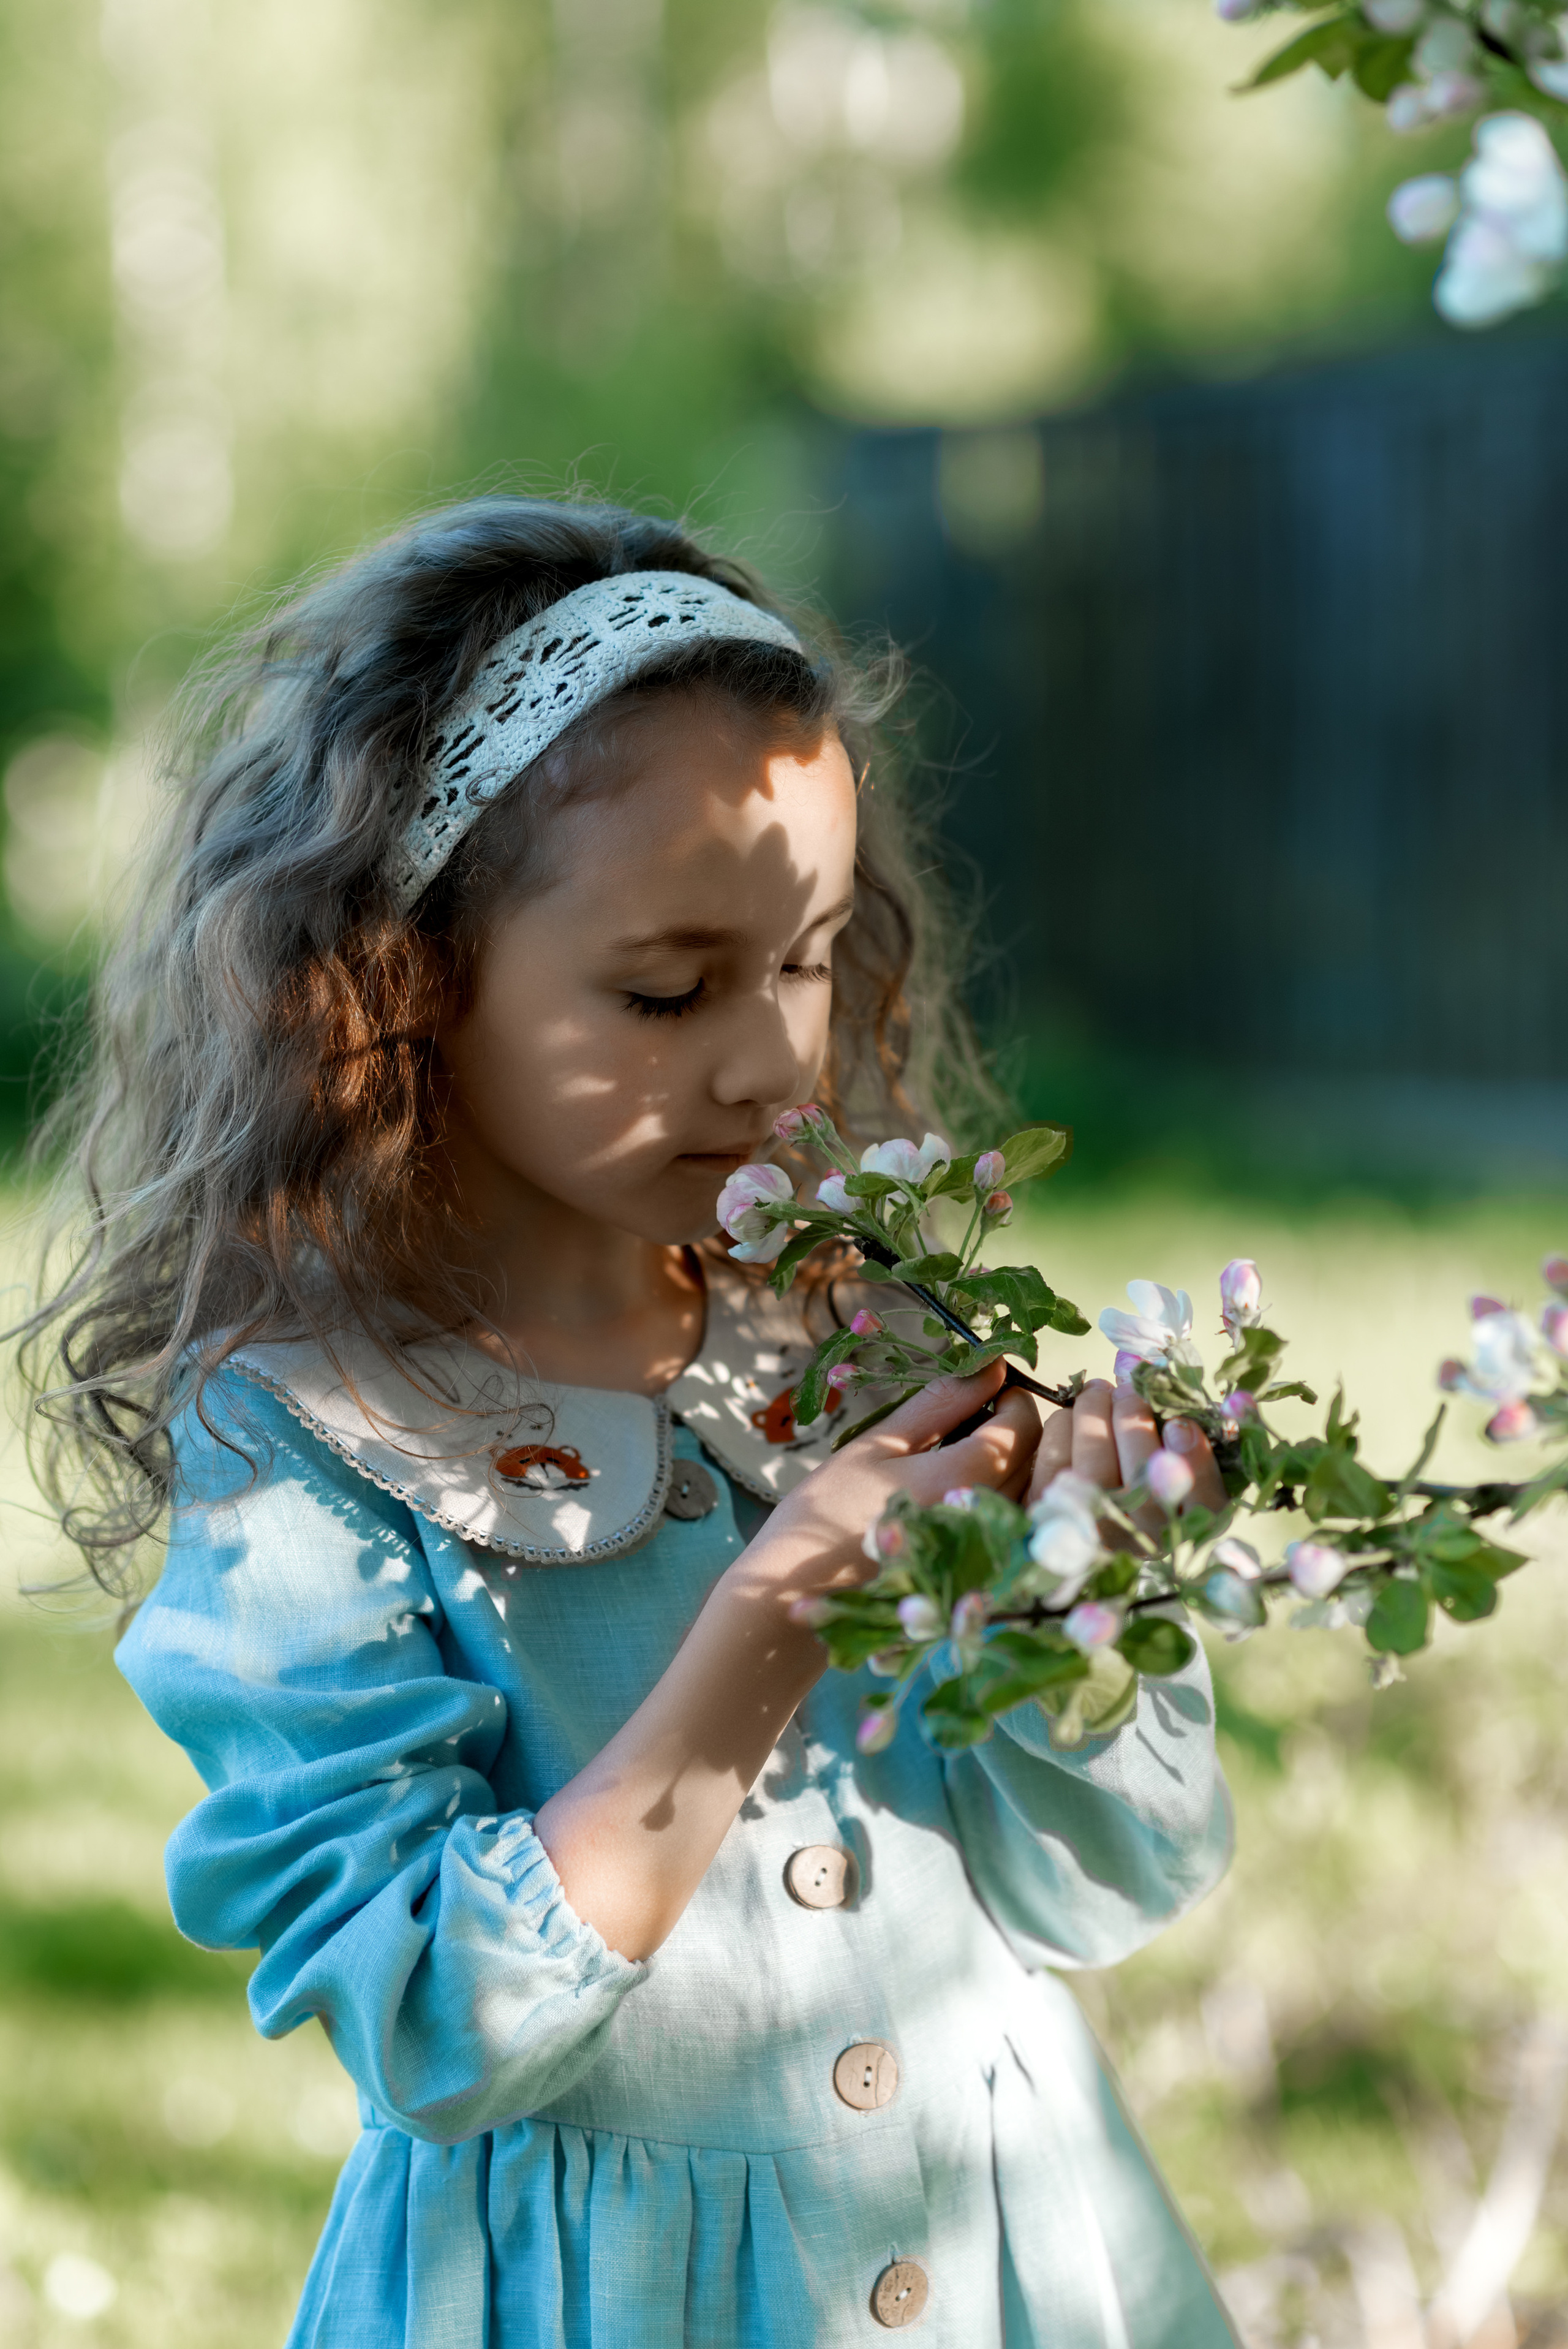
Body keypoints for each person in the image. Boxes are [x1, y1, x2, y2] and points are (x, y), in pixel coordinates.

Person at [20, 497, 1238, 2347]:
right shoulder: (306, 1436)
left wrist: (1089, 1608)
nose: (771, 1061)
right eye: (668, 989)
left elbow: (1111, 1882)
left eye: (812, 957)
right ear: (404, 979)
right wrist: (766, 1631)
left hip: (1019, 2263)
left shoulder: (862, 1337)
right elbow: (436, 2019)